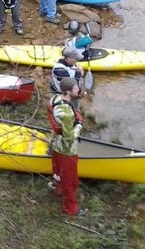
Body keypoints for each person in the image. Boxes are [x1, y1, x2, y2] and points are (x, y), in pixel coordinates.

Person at [47, 77, 86, 217]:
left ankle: (57, 188)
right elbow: (69, 137)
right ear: (69, 92)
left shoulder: (55, 98)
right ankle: (70, 208)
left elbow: (56, 119)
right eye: (76, 88)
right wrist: (80, 124)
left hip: (56, 144)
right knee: (70, 179)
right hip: (67, 149)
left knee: (58, 170)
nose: (78, 90)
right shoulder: (68, 114)